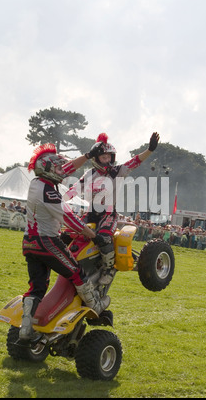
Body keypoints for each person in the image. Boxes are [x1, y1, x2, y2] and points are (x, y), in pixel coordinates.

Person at [20, 142, 108, 340]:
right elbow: (69, 219)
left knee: (37, 287)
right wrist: (95, 236)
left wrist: (87, 155)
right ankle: (96, 306)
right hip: (47, 241)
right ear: (49, 169)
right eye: (58, 168)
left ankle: (26, 329)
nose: (63, 171)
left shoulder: (37, 182)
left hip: (29, 242)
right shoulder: (48, 192)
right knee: (77, 272)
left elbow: (67, 167)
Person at [65, 132, 160, 285]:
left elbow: (135, 161)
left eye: (110, 157)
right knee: (68, 234)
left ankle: (108, 269)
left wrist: (149, 150)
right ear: (96, 159)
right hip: (90, 213)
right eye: (104, 157)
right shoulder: (89, 174)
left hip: (108, 214)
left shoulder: (118, 171)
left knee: (104, 238)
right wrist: (57, 202)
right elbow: (74, 190)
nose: (108, 160)